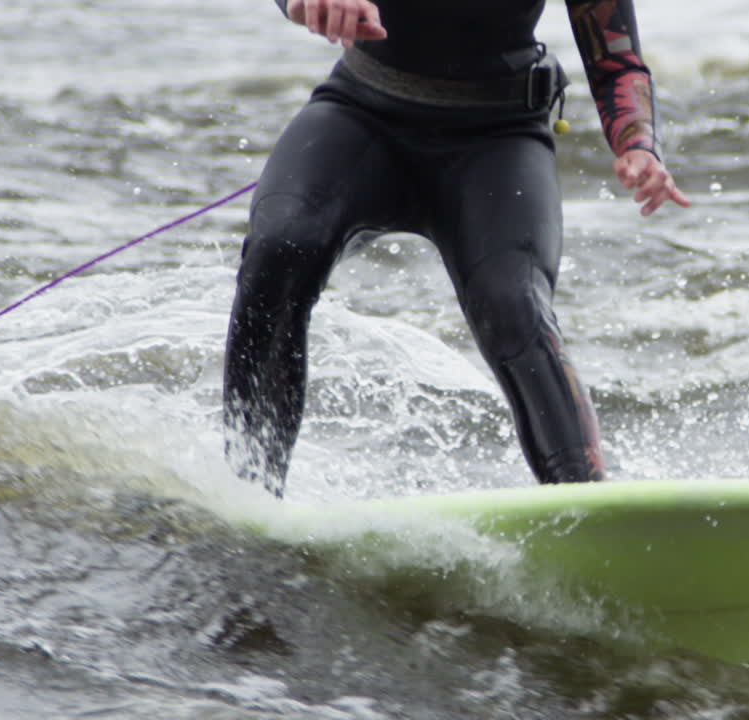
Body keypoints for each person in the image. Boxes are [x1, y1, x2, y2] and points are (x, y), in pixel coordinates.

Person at [223, 0, 690, 497]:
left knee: (513, 304)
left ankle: (590, 509)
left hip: (499, 138)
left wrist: (639, 145)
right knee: (283, 247)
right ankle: (250, 499)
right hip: (363, 115)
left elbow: (617, 62)